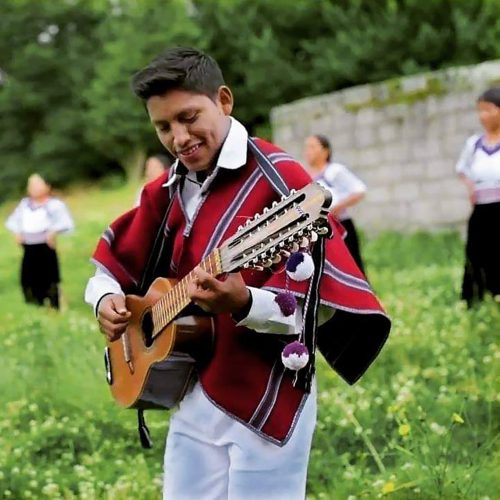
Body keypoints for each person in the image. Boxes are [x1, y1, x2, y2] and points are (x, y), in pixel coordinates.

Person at [84, 47, 390, 499]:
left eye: (189, 117)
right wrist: (105, 298)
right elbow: (109, 267)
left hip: (267, 396)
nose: (178, 137)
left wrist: (244, 303)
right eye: (163, 126)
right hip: (191, 391)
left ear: (224, 100)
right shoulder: (169, 187)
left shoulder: (281, 181)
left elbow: (315, 310)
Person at [456, 87, 500, 306]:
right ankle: (476, 297)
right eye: (480, 111)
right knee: (477, 251)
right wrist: (471, 187)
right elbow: (462, 169)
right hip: (482, 208)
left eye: (488, 110)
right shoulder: (473, 144)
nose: (482, 116)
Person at [6, 173, 74, 309]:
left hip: (46, 246)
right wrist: (17, 232)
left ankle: (54, 305)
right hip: (28, 246)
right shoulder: (25, 205)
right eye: (31, 185)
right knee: (28, 277)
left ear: (47, 186)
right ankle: (35, 305)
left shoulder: (54, 205)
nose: (34, 188)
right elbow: (13, 221)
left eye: (38, 184)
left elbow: (66, 222)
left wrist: (54, 231)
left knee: (49, 277)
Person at [304, 134, 368, 274]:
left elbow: (359, 190)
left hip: (342, 227)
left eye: (313, 147)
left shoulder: (334, 171)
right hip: (322, 232)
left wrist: (336, 209)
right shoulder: (306, 176)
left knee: (354, 268)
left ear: (326, 151)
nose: (308, 151)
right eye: (307, 147)